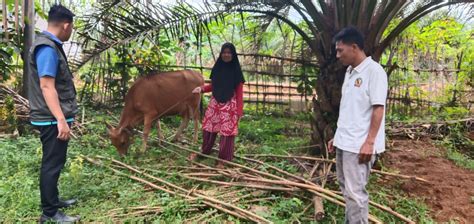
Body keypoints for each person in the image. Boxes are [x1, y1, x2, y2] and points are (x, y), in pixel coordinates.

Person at [327, 27, 388, 224]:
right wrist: (337, 136)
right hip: (345, 141)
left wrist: (370, 142)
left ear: (354, 47)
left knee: (355, 193)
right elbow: (349, 109)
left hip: (360, 145)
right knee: (346, 188)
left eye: (340, 50)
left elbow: (378, 108)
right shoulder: (350, 72)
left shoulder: (374, 72)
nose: (337, 55)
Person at [27, 4, 80, 223]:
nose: (71, 31)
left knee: (55, 161)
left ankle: (54, 200)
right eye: (72, 28)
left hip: (52, 116)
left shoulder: (47, 44)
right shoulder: (47, 48)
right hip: (51, 118)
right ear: (66, 25)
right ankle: (49, 213)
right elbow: (47, 86)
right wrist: (60, 120)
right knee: (52, 163)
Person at [188, 42, 245, 168]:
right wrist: (201, 89)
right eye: (224, 52)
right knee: (208, 128)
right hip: (215, 103)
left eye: (229, 52)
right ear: (221, 54)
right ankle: (204, 152)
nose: (226, 55)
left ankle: (223, 159)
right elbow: (214, 86)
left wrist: (239, 111)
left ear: (233, 54)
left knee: (227, 132)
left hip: (229, 104)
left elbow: (239, 93)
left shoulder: (236, 70)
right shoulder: (218, 68)